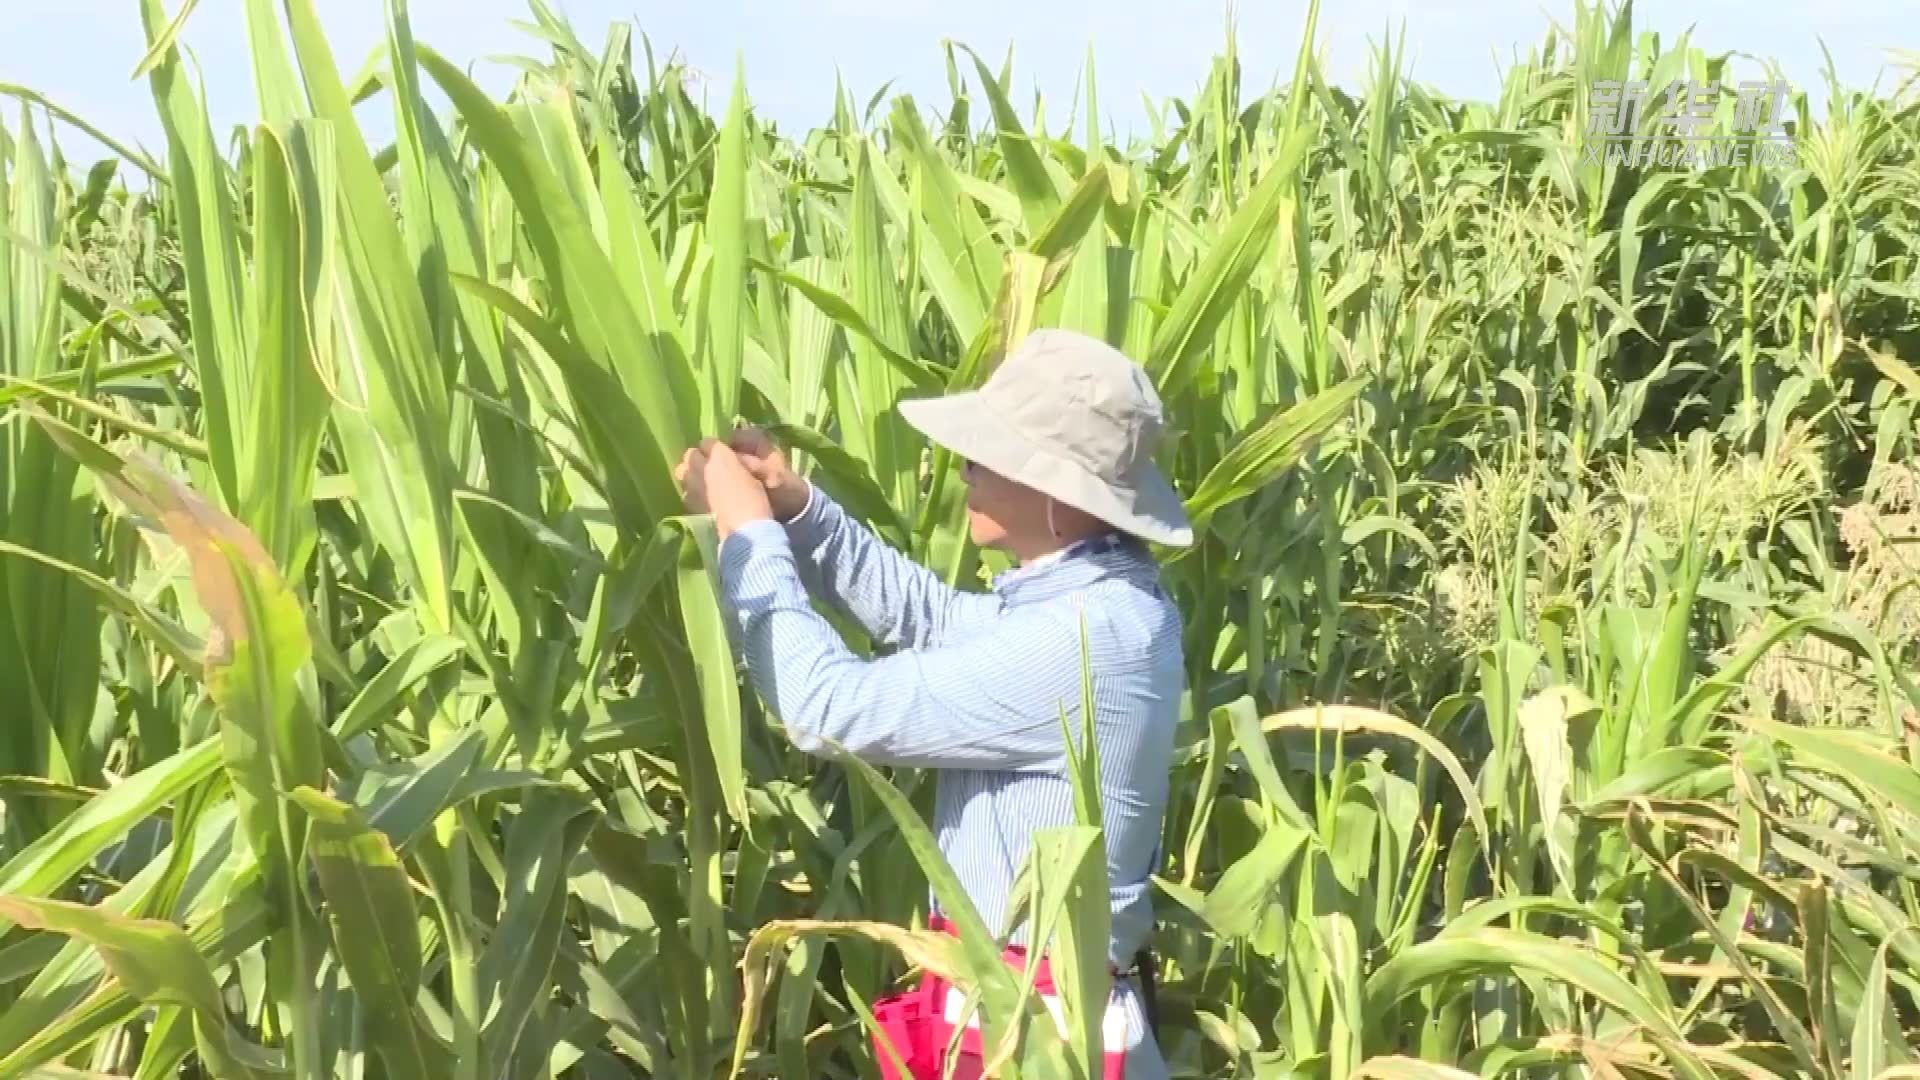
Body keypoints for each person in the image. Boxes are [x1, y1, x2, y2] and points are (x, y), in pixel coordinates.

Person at [675, 327, 1191, 1079]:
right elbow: (940, 620)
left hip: (1032, 1043)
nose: (965, 464)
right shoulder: (1099, 599)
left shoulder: (1083, 637)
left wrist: (747, 540)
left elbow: (828, 707)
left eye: (990, 451)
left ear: (1055, 490)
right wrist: (799, 511)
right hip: (1018, 1011)